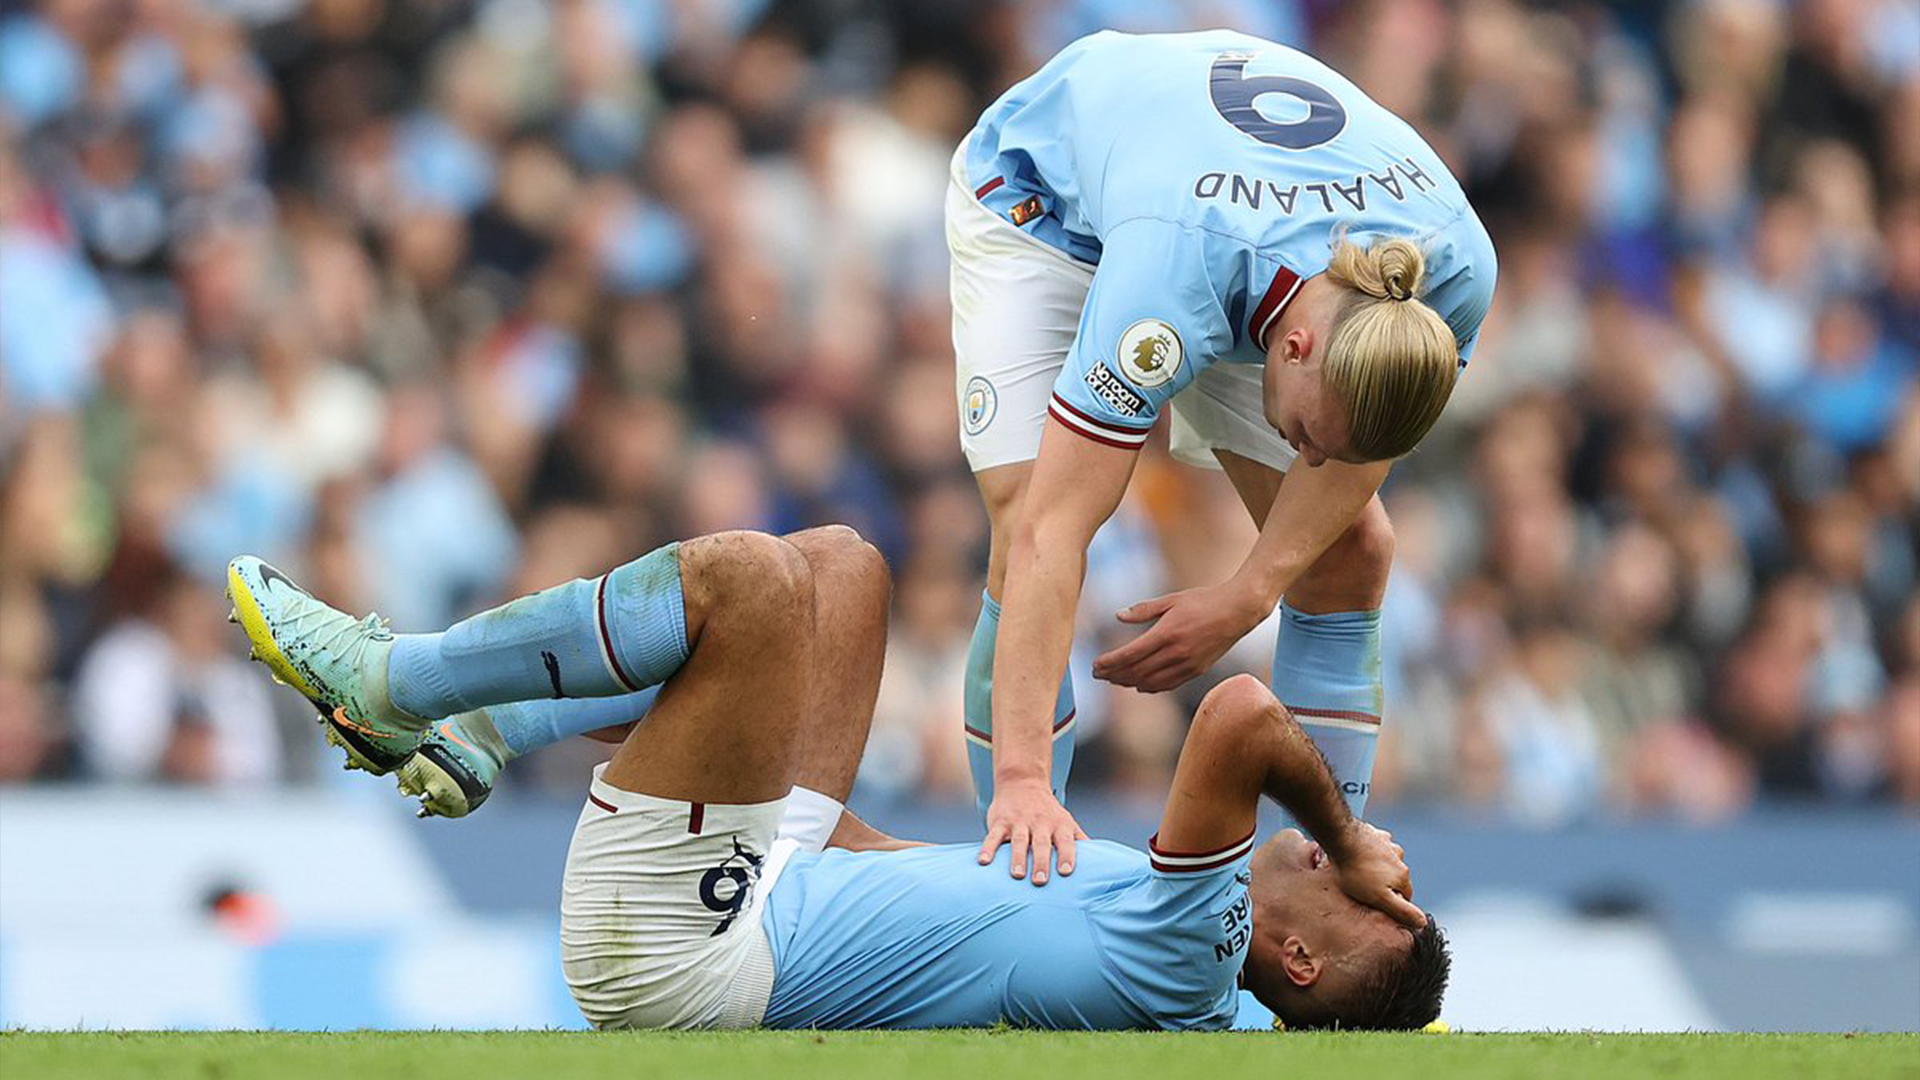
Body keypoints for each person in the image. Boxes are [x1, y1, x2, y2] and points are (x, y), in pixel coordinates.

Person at [225, 525, 1446, 1031]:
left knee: (749, 590)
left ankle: (405, 685)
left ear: (1298, 961)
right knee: (844, 569)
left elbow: (1239, 715)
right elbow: (906, 892)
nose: (1371, 867)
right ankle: (481, 732)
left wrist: (1341, 837)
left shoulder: (1195, 948)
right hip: (778, 879)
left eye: (1370, 900)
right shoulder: (1175, 951)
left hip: (688, 951)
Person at [948, 31, 1497, 883]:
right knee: (1027, 508)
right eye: (1312, 436)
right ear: (1297, 346)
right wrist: (1021, 777)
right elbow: (1052, 536)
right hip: (1041, 198)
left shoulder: (1452, 270)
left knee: (1350, 551)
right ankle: (1017, 849)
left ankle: (1327, 872)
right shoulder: (1171, 283)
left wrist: (1250, 593)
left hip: (1219, 215)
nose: (1312, 458)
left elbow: (1354, 458)